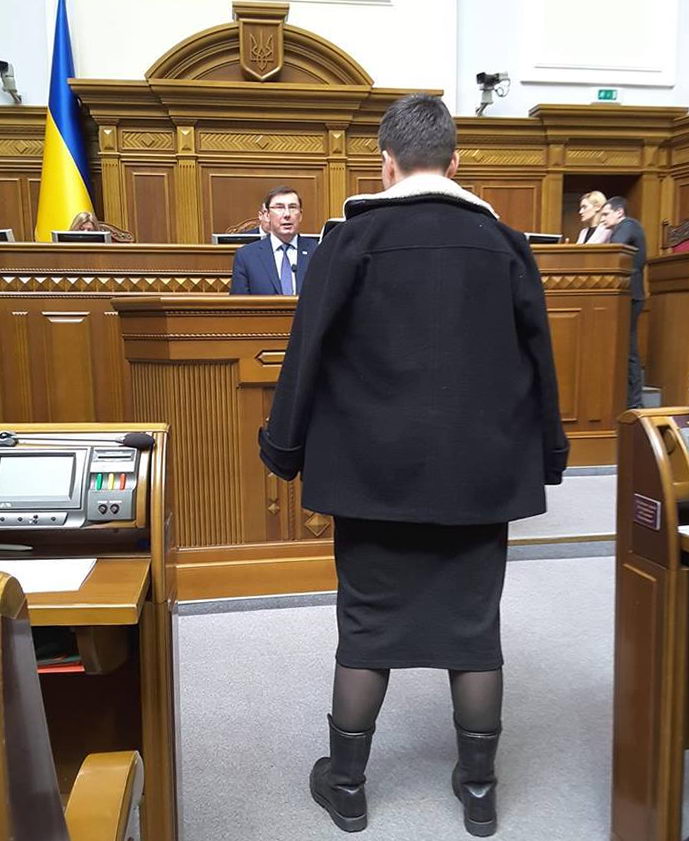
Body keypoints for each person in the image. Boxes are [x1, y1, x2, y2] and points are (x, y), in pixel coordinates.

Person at [258, 94, 568, 836]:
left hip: (372, 478)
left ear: (386, 163)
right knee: (474, 631)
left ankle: (348, 788)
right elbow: (540, 359)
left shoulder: (349, 241)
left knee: (367, 628)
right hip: (479, 476)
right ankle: (480, 791)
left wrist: (284, 448)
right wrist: (550, 453)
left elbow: (306, 352)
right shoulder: (506, 245)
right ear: (455, 162)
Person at [599, 196, 647, 408]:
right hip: (627, 295)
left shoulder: (628, 225)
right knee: (626, 349)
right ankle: (630, 401)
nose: (602, 219)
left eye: (605, 214)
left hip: (630, 295)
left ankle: (635, 403)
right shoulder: (623, 227)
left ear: (619, 212)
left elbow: (614, 250)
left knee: (629, 350)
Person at [230, 187, 318, 294]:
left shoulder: (318, 251)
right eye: (279, 207)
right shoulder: (246, 256)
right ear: (267, 215)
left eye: (292, 207)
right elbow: (238, 302)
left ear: (300, 215)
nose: (287, 214)